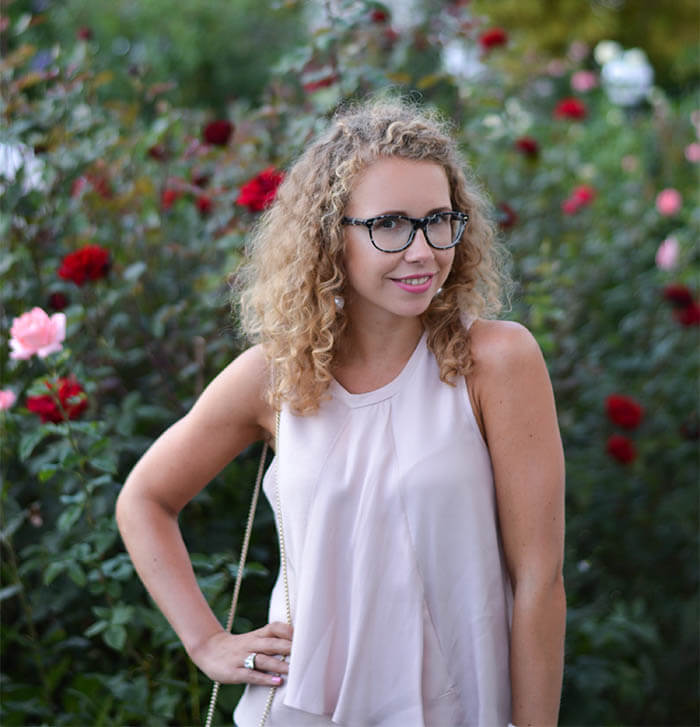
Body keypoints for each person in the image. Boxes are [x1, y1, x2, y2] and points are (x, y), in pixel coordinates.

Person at [116, 97, 566, 727]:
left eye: (439, 220)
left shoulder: (497, 360)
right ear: (331, 233)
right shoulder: (274, 376)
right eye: (389, 225)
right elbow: (144, 500)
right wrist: (207, 642)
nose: (422, 251)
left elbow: (539, 580)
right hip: (300, 710)